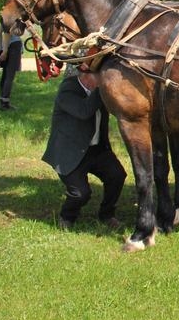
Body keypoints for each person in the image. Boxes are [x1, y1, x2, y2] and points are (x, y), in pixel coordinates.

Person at [42, 64, 126, 230]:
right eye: (100, 76)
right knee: (80, 193)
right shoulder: (68, 89)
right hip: (69, 151)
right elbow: (84, 111)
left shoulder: (98, 91)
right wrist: (102, 88)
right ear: (86, 76)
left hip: (95, 149)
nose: (104, 80)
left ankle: (107, 214)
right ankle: (67, 217)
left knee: (117, 175)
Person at [0, 19, 22, 111]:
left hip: (5, 47)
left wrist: (0, 49)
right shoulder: (14, 17)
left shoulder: (5, 17)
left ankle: (3, 100)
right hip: (14, 47)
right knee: (9, 76)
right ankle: (5, 103)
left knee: (5, 75)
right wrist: (5, 51)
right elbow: (8, 33)